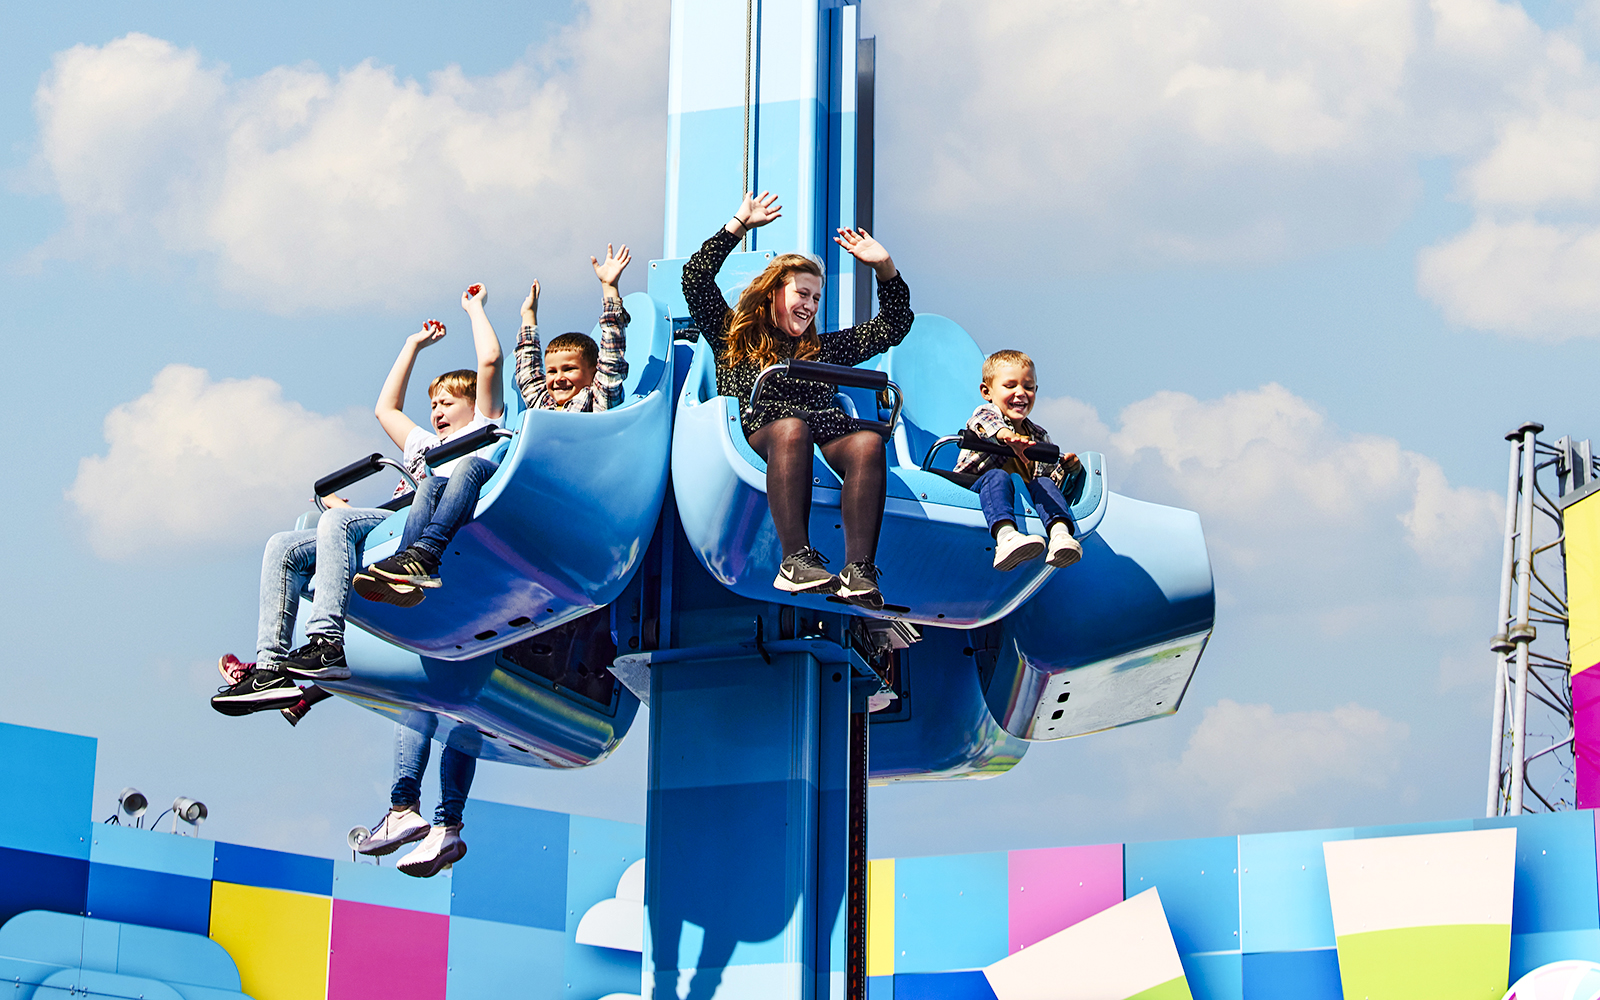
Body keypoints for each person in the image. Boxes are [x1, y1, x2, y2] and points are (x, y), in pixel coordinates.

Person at [210, 285, 504, 712]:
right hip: (389, 521)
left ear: (471, 403)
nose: (437, 411)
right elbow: (386, 409)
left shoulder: (480, 426)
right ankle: (271, 668)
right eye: (433, 404)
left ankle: (327, 643)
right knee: (282, 548)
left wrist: (474, 309)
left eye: (446, 402)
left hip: (421, 519)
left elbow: (490, 361)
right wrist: (412, 346)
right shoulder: (422, 443)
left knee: (336, 524)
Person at [355, 246, 632, 604]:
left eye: (569, 370)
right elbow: (527, 371)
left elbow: (612, 352)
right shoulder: (543, 403)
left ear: (592, 372)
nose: (558, 378)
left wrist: (610, 290)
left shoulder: (598, 399)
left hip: (567, 482)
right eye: (553, 371)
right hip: (531, 479)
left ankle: (427, 552)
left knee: (470, 465)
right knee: (430, 486)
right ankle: (409, 565)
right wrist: (527, 318)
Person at [681, 192, 913, 609]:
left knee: (867, 442)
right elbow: (695, 278)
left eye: (815, 299)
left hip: (822, 430)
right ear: (773, 293)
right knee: (793, 429)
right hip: (762, 429)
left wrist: (884, 267)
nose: (808, 306)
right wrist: (738, 224)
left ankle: (858, 569)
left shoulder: (822, 350)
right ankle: (794, 560)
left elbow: (893, 326)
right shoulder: (733, 337)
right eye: (801, 294)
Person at [953, 350, 1084, 571]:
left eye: (1028, 387)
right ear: (987, 391)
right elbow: (985, 422)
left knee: (1044, 483)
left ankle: (1060, 535)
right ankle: (1006, 538)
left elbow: (1048, 480)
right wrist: (1007, 437)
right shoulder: (987, 413)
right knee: (997, 476)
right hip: (976, 486)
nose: (1021, 393)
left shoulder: (1039, 435)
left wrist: (1068, 469)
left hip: (1021, 494)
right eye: (1010, 386)